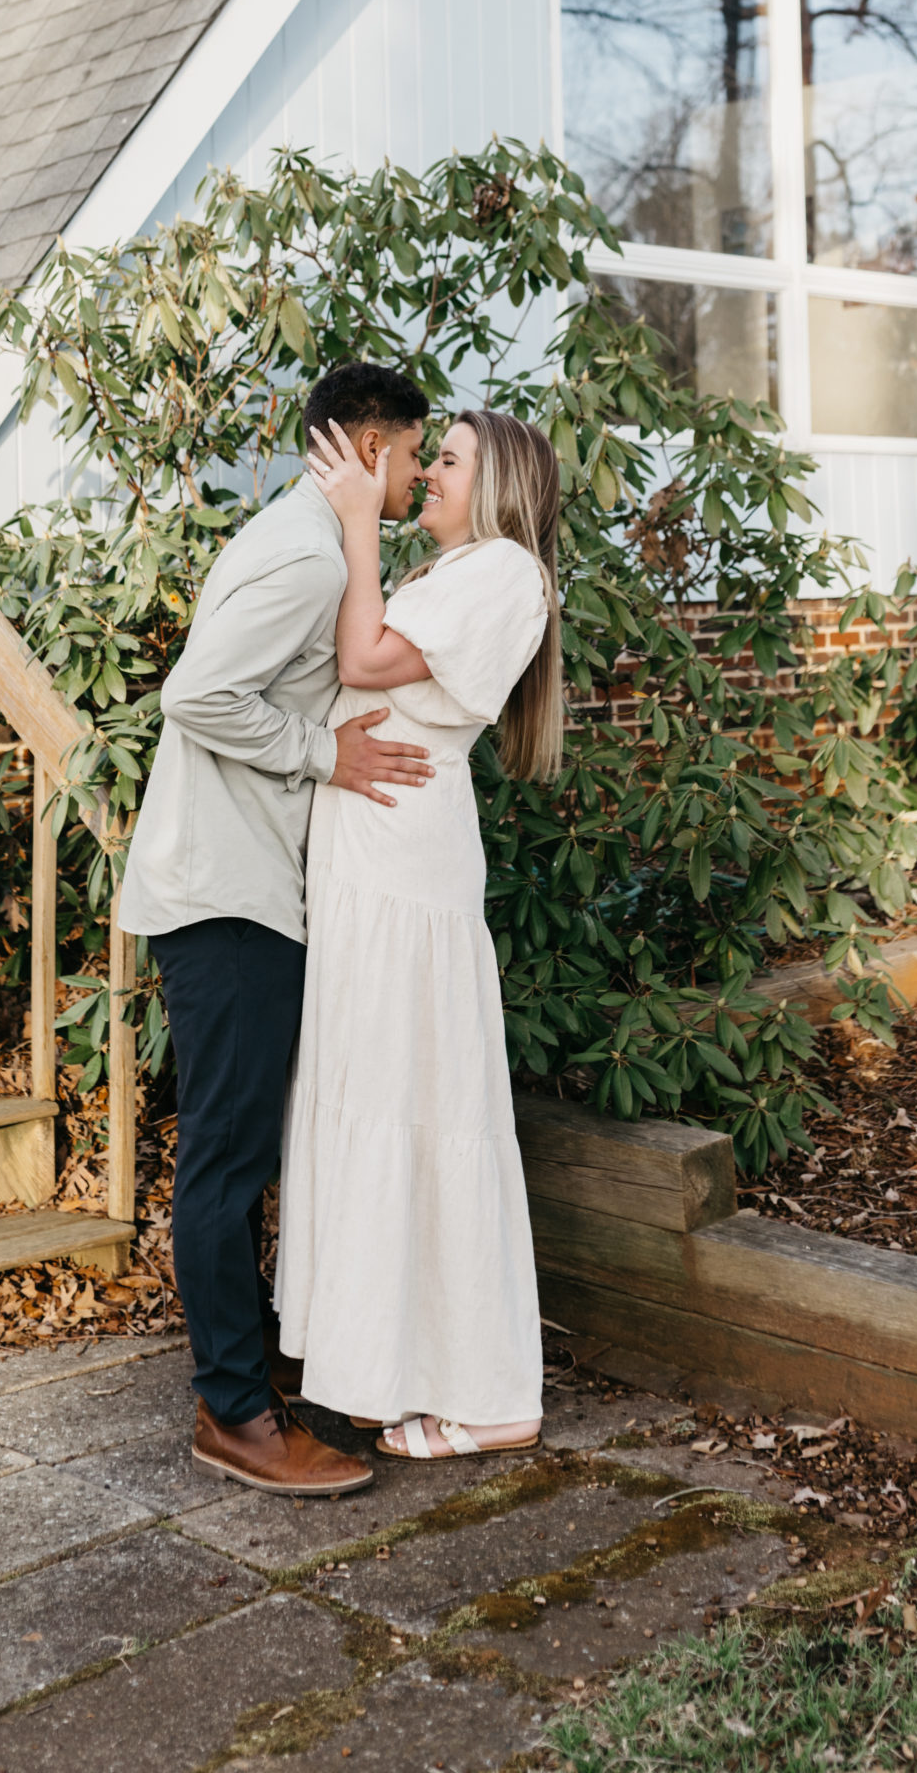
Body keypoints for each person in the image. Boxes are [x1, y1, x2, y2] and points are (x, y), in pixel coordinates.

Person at [118, 362, 435, 1497]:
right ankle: (235, 1414)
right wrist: (323, 755)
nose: (417, 476)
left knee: (237, 1149)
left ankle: (250, 1373)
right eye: (414, 452)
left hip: (241, 886)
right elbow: (196, 695)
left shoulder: (309, 538)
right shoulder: (309, 557)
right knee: (225, 1158)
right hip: (227, 895)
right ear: (368, 445)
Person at [276, 405, 564, 1458]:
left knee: (416, 1101)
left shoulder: (506, 572)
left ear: (500, 485)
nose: (428, 473)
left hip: (404, 868)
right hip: (375, 861)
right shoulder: (460, 572)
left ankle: (491, 1397)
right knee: (377, 1092)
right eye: (430, 456)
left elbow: (362, 659)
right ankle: (381, 1362)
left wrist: (358, 517)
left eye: (449, 460)